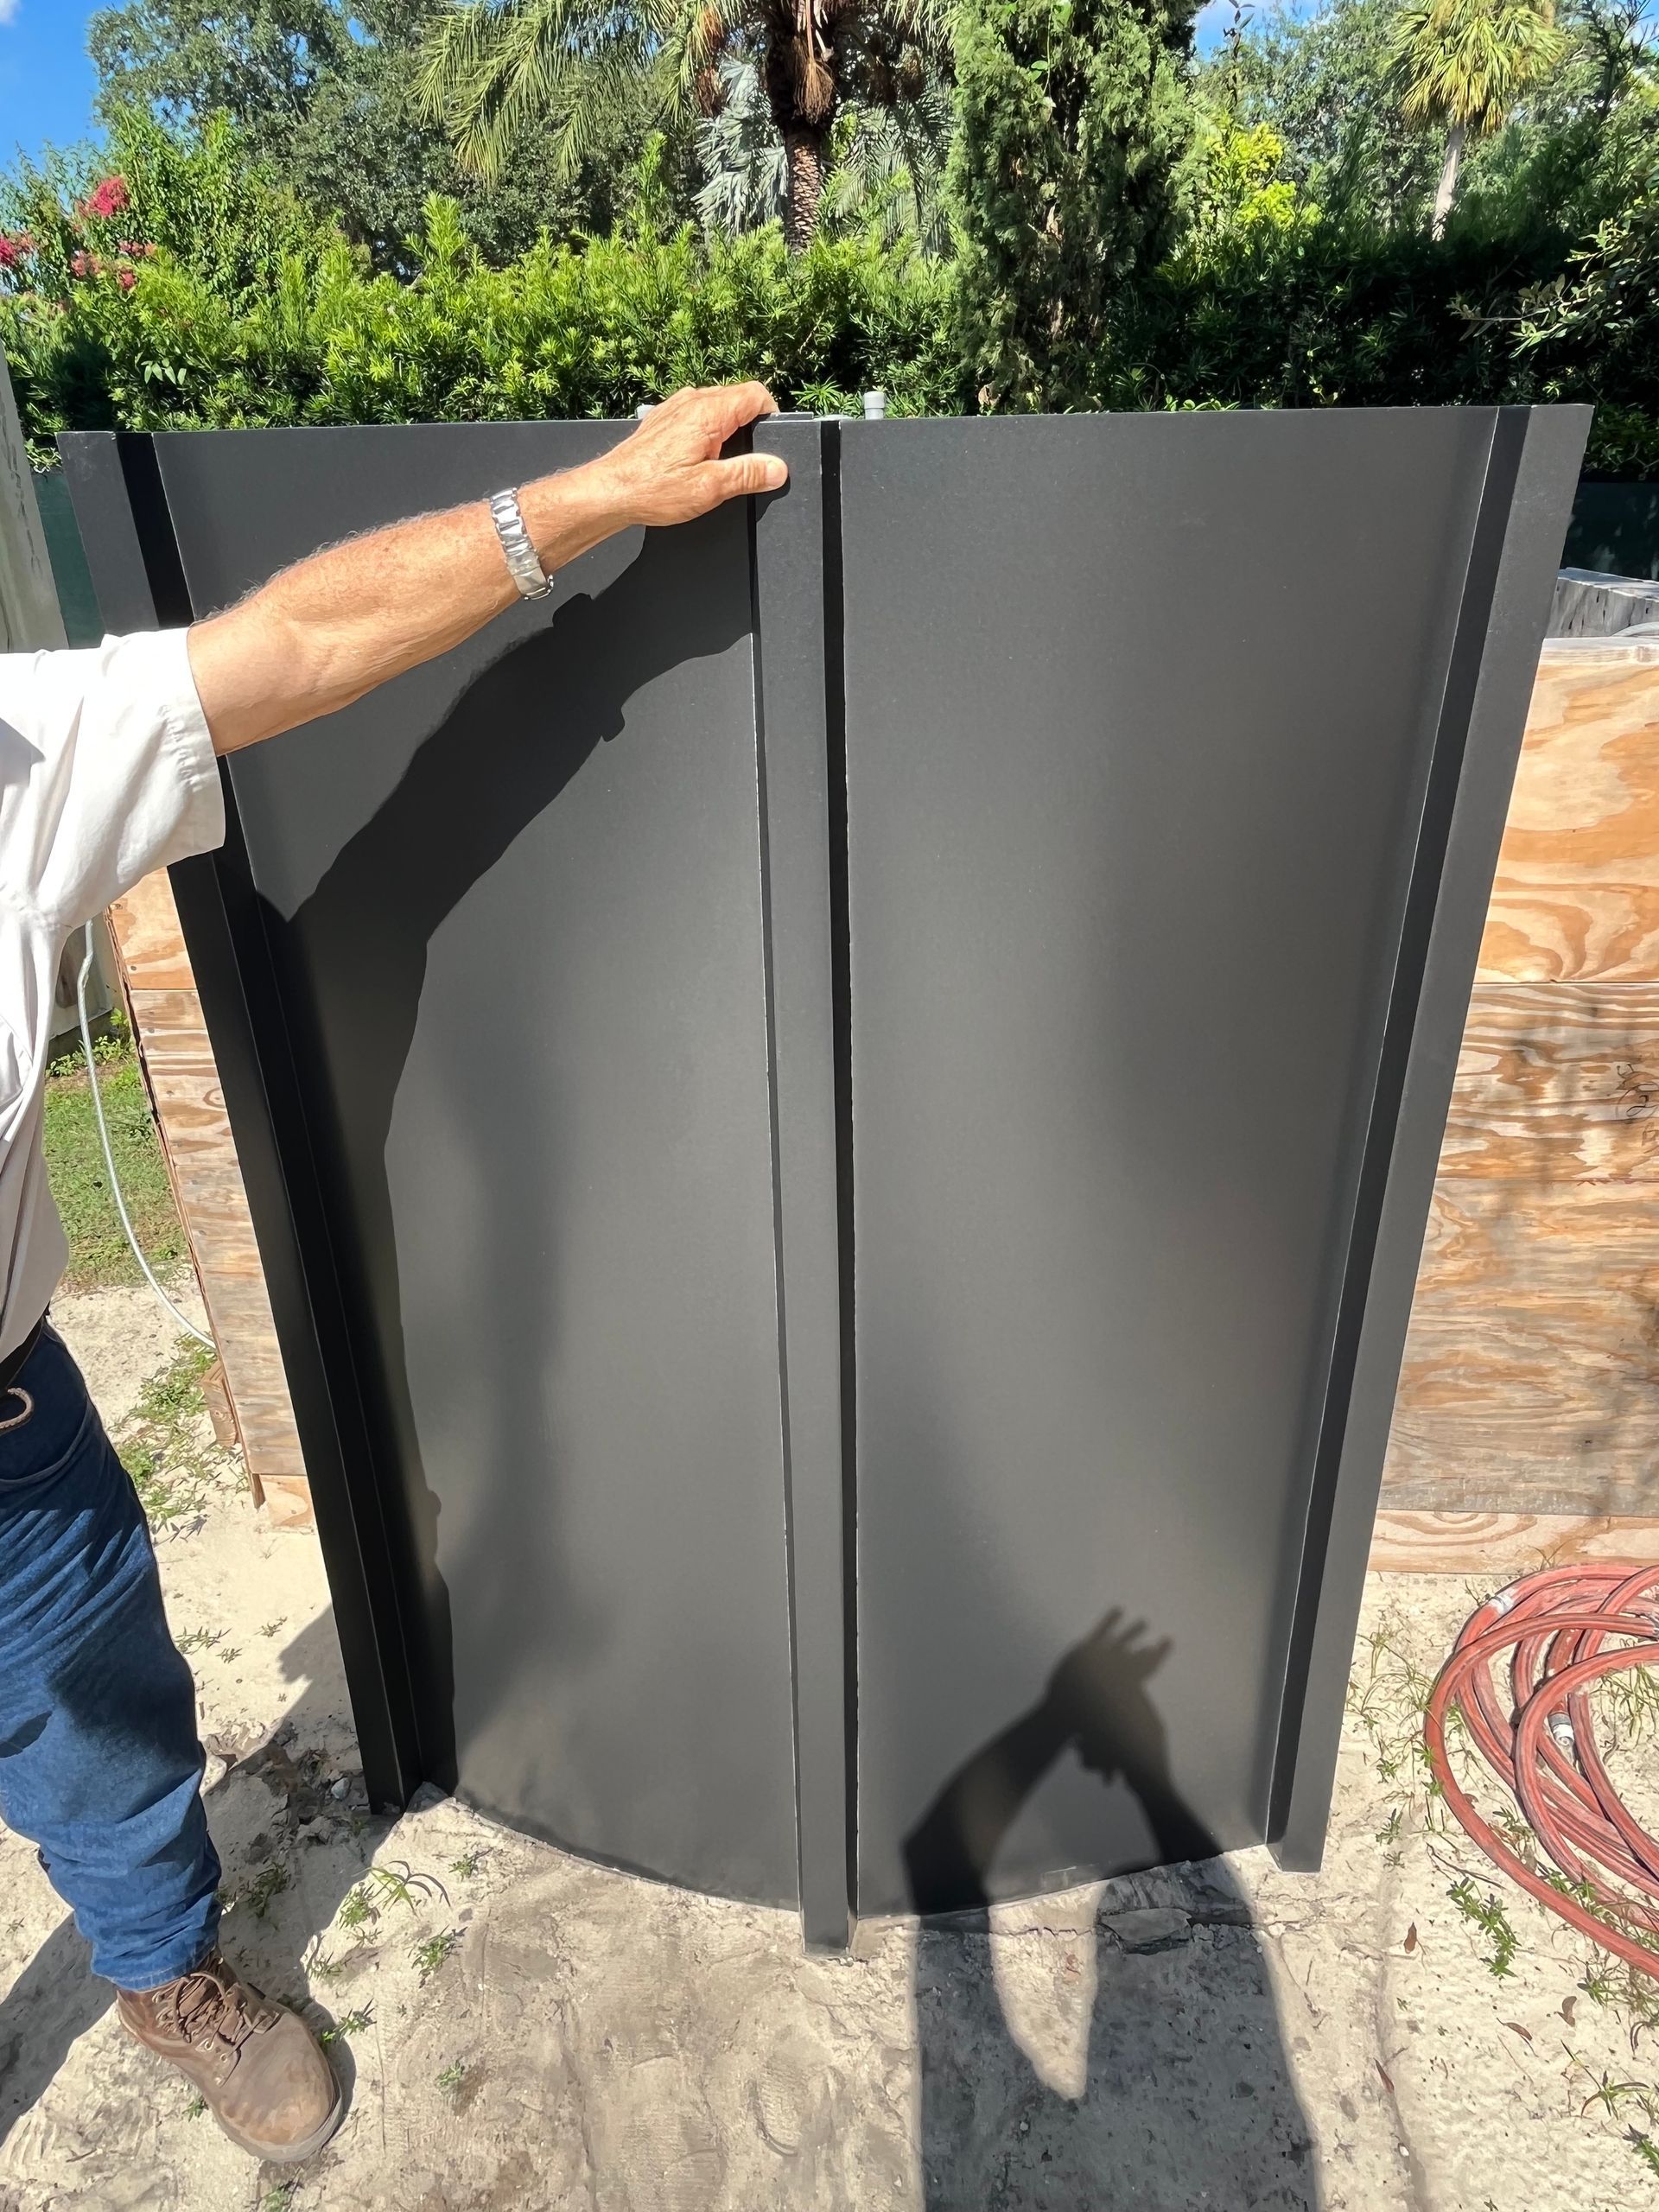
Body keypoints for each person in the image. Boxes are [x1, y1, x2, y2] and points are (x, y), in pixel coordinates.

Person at [0, 382, 787, 2165]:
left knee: (96, 1721)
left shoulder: (19, 761)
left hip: (6, 1433)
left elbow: (296, 645)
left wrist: (593, 499)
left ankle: (163, 1973)